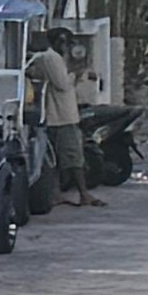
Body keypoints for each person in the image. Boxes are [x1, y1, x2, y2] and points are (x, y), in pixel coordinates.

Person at [29, 27, 94, 206]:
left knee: (57, 158)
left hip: (59, 113)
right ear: (59, 41)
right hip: (62, 115)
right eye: (66, 42)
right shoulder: (52, 58)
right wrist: (76, 73)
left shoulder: (53, 58)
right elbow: (62, 84)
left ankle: (57, 193)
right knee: (73, 156)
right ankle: (83, 194)